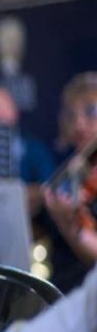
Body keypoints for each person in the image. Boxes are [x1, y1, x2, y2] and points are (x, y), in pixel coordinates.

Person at [43, 72, 97, 292]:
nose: (80, 124)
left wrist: (67, 224)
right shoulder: (71, 169)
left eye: (90, 113)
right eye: (72, 116)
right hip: (63, 292)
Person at [0, 83, 55, 215]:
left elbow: (50, 186)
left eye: (0, 107)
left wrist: (24, 195)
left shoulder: (34, 149)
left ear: (14, 112)